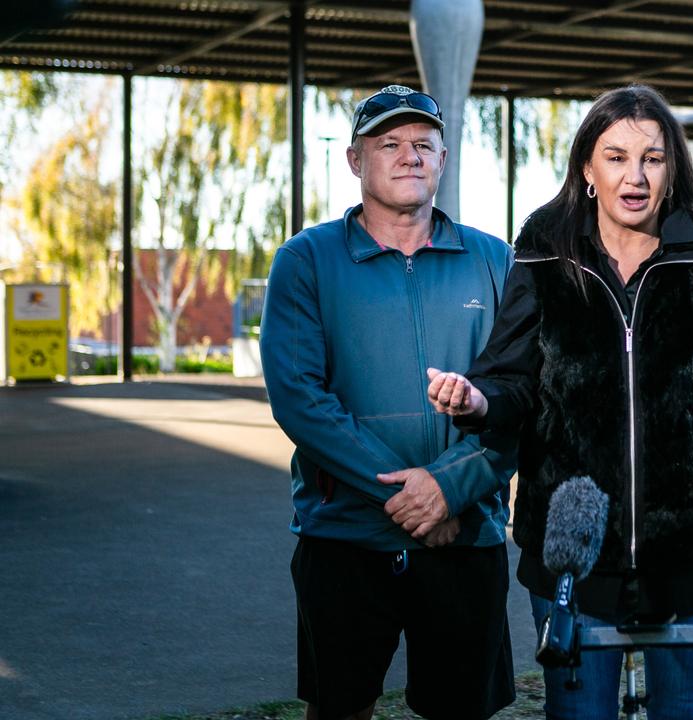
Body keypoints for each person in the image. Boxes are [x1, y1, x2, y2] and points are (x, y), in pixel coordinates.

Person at [426, 84, 693, 720]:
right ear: (587, 168)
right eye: (616, 156)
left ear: (672, 168)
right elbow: (509, 377)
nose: (635, 176)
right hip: (574, 550)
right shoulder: (546, 249)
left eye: (653, 158)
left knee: (689, 708)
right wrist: (475, 400)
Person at [259, 85, 518, 720]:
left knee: (461, 709)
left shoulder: (495, 260)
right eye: (390, 144)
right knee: (340, 708)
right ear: (355, 160)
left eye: (423, 145)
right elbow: (300, 399)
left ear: (444, 160)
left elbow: (526, 396)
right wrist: (411, 495)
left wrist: (451, 490)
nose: (409, 156)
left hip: (464, 538)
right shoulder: (307, 261)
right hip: (344, 541)